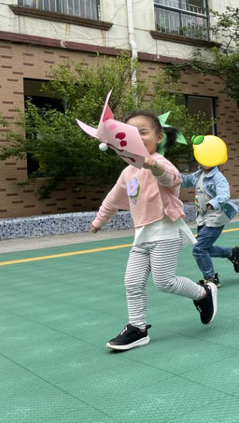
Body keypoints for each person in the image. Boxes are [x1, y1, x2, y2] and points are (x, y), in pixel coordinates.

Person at [90, 111, 218, 351]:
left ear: (158, 138)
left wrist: (155, 166)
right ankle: (137, 328)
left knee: (164, 281)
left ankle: (203, 293)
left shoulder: (160, 162)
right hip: (142, 236)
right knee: (132, 282)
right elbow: (113, 199)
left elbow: (173, 179)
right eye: (129, 134)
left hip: (165, 231)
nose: (136, 138)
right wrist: (99, 220)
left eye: (143, 132)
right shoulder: (128, 173)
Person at [181, 164, 239, 287]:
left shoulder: (218, 177)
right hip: (203, 218)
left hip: (216, 218)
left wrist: (214, 203)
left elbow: (224, 195)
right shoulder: (198, 174)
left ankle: (210, 278)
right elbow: (184, 181)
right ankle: (231, 253)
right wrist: (163, 171)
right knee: (205, 248)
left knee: (199, 249)